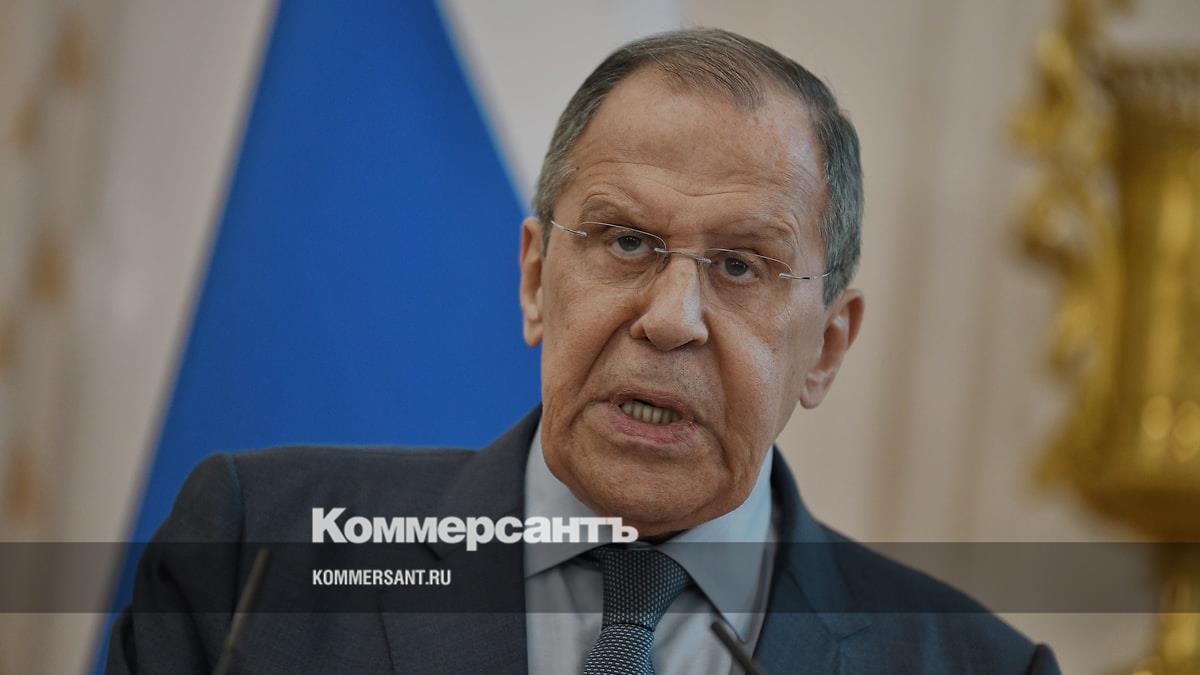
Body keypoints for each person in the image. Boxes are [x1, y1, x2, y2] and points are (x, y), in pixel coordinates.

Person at [107, 28, 1060, 674]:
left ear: (826, 348)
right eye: (626, 241)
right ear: (535, 277)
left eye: (740, 264)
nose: (671, 319)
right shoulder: (255, 554)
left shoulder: (975, 665)